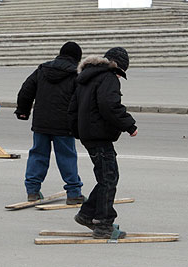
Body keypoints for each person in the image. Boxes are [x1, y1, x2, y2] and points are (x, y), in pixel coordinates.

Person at [68, 47, 138, 239]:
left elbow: (72, 108)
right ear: (117, 67)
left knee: (106, 177)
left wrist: (77, 131)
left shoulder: (86, 77)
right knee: (109, 179)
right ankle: (103, 224)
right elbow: (109, 105)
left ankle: (87, 214)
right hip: (99, 135)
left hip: (89, 135)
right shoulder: (107, 78)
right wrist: (129, 125)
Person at [14, 41, 85, 204]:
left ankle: (32, 191)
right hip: (64, 124)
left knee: (38, 154)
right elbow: (82, 99)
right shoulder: (76, 74)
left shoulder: (43, 69)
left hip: (41, 123)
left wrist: (23, 111)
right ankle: (74, 193)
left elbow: (26, 90)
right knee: (67, 156)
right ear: (77, 58)